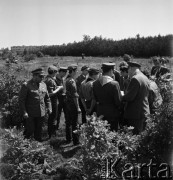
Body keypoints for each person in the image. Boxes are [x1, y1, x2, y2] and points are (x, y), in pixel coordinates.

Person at [19, 68, 52, 142]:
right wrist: (24, 112)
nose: (42, 78)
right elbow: (21, 100)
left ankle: (38, 146)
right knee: (30, 130)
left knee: (39, 130)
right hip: (30, 113)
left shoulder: (43, 84)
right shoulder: (26, 85)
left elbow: (47, 98)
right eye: (40, 76)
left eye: (43, 76)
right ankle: (24, 145)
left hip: (41, 112)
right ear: (35, 76)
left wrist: (49, 107)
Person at [122, 62, 150, 134]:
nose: (128, 73)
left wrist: (121, 96)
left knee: (134, 137)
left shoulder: (135, 78)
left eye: (128, 71)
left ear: (130, 68)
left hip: (135, 114)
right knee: (142, 136)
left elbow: (129, 97)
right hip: (144, 111)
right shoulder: (145, 77)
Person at [92, 63, 122, 131]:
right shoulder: (114, 84)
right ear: (111, 70)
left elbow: (95, 98)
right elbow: (118, 101)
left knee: (102, 133)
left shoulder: (95, 83)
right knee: (113, 133)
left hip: (100, 111)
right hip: (112, 113)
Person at [44, 65, 63, 139]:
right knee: (53, 117)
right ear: (54, 72)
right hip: (52, 101)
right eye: (56, 72)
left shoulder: (47, 79)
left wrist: (57, 87)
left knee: (51, 117)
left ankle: (51, 133)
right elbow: (51, 93)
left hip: (50, 101)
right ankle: (51, 134)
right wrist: (59, 88)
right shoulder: (50, 80)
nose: (56, 73)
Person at [65, 65, 81, 146]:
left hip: (67, 103)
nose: (77, 72)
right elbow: (75, 96)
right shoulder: (72, 81)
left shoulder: (67, 79)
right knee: (75, 123)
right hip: (72, 104)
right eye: (76, 71)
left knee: (68, 122)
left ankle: (68, 138)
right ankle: (76, 141)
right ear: (73, 71)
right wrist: (78, 107)